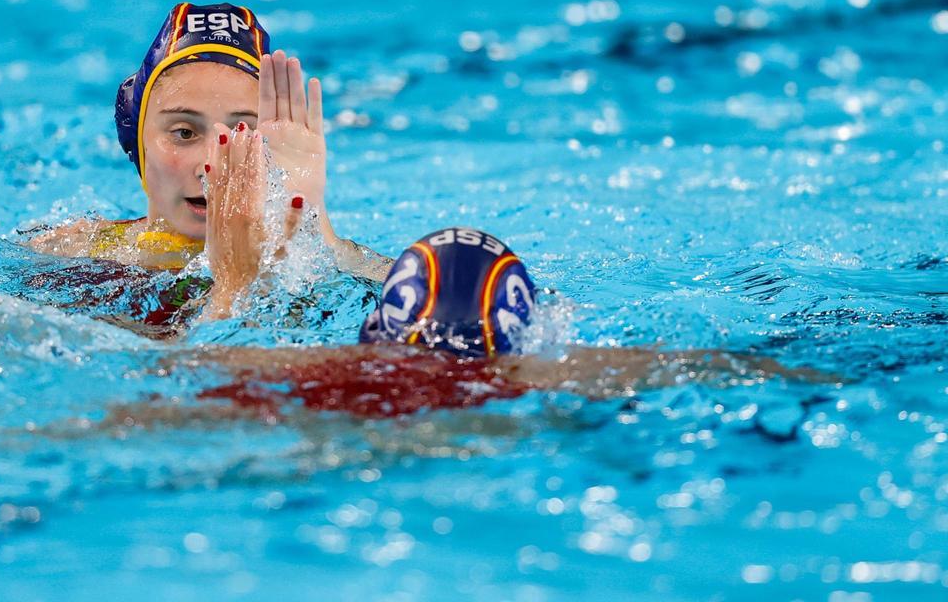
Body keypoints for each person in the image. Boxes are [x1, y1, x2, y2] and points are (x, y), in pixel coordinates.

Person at [94, 228, 838, 425]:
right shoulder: (549, 375)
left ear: (378, 326)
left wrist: (231, 292)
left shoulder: (315, 374)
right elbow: (732, 370)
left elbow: (160, 385)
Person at [26, 2, 391, 286]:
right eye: (184, 133)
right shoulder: (74, 253)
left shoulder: (339, 264)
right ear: (136, 142)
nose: (209, 164)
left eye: (240, 132)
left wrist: (312, 227)